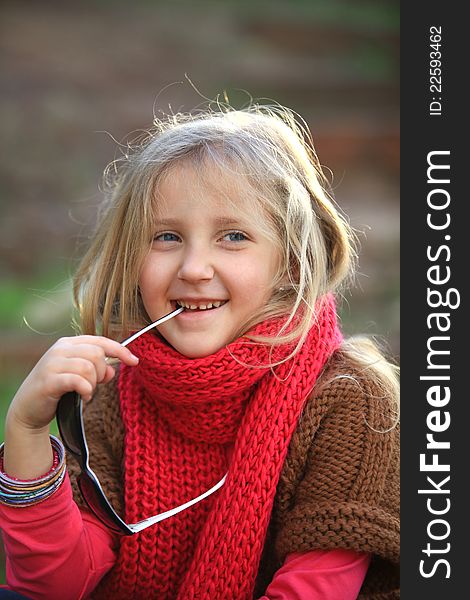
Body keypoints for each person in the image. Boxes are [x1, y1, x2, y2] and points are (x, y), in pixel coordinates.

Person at [0, 104, 399, 599]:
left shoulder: (350, 399)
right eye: (167, 237)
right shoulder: (112, 392)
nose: (193, 267)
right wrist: (27, 433)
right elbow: (56, 586)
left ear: (292, 262)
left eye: (233, 237)